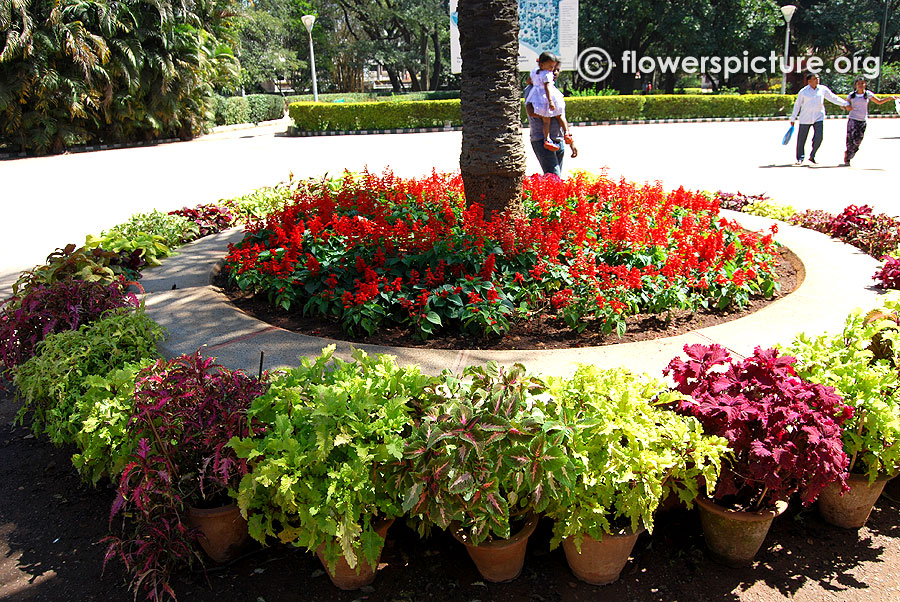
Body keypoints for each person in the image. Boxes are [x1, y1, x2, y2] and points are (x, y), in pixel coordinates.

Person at [525, 63, 578, 176]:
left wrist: (571, 143)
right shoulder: (533, 90)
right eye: (552, 70)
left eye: (557, 70)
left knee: (554, 180)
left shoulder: (554, 90)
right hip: (541, 140)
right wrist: (550, 114)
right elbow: (530, 111)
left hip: (558, 140)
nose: (555, 73)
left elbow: (562, 116)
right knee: (554, 177)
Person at [789, 72, 849, 165]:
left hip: (818, 117)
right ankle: (800, 158)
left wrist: (845, 103)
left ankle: (812, 155)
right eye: (815, 78)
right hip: (805, 118)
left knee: (819, 137)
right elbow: (797, 105)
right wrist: (793, 118)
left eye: (818, 78)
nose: (817, 80)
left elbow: (833, 97)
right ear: (809, 81)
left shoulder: (822, 89)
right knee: (802, 139)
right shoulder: (803, 92)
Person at [842, 77, 898, 166]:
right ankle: (848, 157)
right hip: (853, 119)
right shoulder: (851, 95)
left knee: (858, 140)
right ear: (856, 85)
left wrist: (889, 98)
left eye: (862, 83)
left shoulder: (868, 94)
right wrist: (846, 107)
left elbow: (879, 102)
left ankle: (851, 153)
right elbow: (844, 105)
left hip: (862, 120)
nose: (860, 85)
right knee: (850, 139)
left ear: (865, 84)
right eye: (859, 84)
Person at [525, 52, 572, 151]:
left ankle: (547, 139)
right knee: (560, 115)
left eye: (555, 68)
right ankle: (566, 133)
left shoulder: (534, 72)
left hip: (537, 98)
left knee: (547, 120)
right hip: (547, 98)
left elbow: (529, 80)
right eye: (551, 67)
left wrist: (535, 83)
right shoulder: (547, 75)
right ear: (542, 65)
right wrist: (550, 101)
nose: (553, 71)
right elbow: (547, 87)